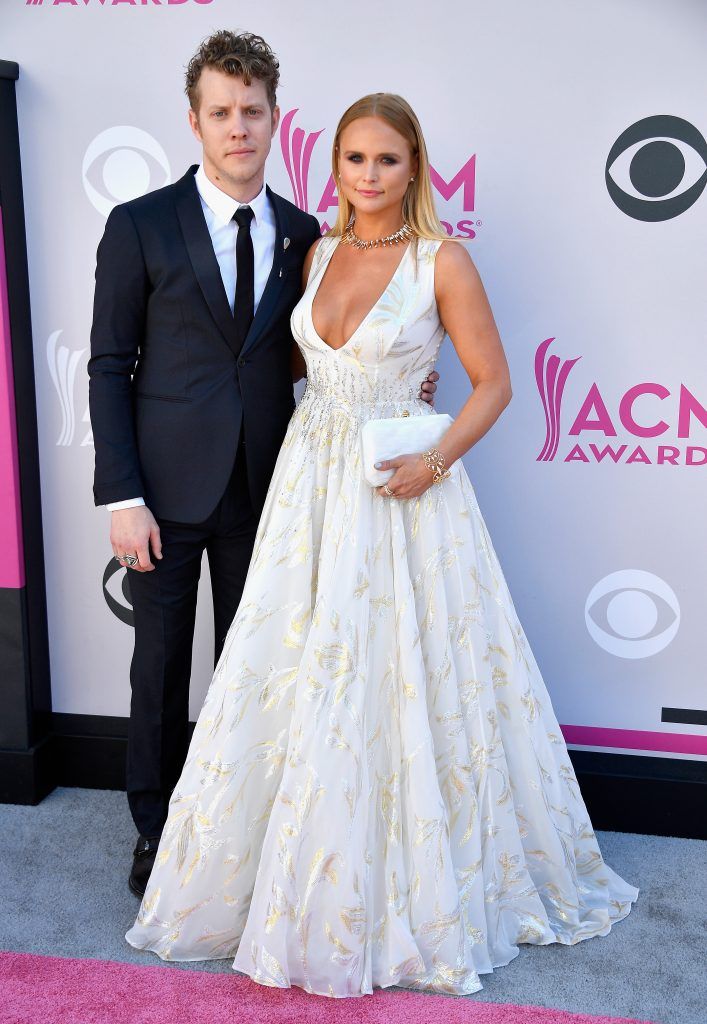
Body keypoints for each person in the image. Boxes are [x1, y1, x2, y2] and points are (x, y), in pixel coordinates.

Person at [125, 92, 639, 997]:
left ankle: (405, 883)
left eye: (387, 161)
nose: (369, 176)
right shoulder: (313, 250)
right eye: (354, 160)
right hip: (305, 487)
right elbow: (290, 364)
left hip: (399, 490)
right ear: (336, 169)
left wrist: (432, 457)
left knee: (398, 676)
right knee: (296, 668)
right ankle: (281, 869)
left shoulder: (444, 260)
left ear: (415, 168)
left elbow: (493, 385)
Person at [87, 32, 438, 899]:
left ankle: (251, 832)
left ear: (275, 119)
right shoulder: (138, 226)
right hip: (161, 497)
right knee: (161, 672)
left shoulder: (305, 235)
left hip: (271, 491)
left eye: (252, 112)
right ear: (195, 120)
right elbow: (107, 366)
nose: (237, 128)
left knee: (267, 670)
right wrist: (122, 495)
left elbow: (315, 353)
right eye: (220, 112)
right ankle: (158, 834)